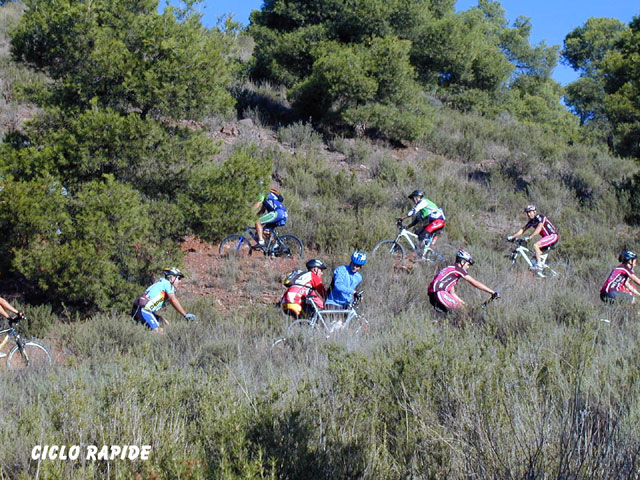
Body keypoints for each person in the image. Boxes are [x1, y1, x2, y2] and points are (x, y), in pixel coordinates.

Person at [428, 249, 499, 313]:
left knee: (455, 313)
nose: (468, 267)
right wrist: (492, 292)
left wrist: (464, 304)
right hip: (439, 293)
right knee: (464, 313)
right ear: (462, 262)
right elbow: (475, 283)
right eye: (468, 264)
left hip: (433, 295)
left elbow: (452, 293)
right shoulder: (458, 269)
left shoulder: (450, 270)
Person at [131, 267, 196, 332]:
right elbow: (173, 300)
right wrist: (185, 315)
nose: (180, 281)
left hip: (143, 309)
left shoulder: (162, 283)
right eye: (179, 278)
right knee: (159, 331)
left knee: (166, 324)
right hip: (144, 310)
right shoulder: (167, 284)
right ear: (171, 278)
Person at [507, 205, 558, 270]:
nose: (528, 214)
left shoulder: (541, 217)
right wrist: (512, 237)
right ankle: (542, 271)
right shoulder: (531, 222)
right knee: (534, 259)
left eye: (530, 212)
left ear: (534, 212)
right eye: (527, 213)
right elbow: (522, 230)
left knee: (535, 245)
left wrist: (530, 237)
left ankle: (539, 265)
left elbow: (539, 228)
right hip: (546, 238)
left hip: (552, 236)